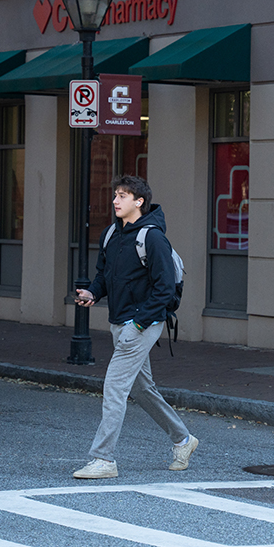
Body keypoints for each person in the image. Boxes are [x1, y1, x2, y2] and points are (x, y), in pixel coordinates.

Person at [72, 175, 198, 479]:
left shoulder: (152, 237)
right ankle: (183, 439)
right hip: (120, 320)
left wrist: (141, 322)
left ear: (139, 202)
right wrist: (93, 292)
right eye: (115, 194)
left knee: (115, 385)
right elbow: (104, 275)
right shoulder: (110, 235)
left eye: (123, 196)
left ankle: (103, 459)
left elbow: (165, 288)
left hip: (142, 322)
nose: (116, 200)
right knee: (142, 389)